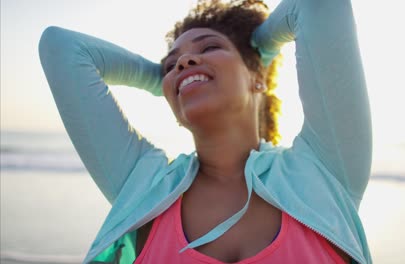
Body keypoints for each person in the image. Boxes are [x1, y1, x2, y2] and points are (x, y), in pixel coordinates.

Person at [39, 0, 373, 263]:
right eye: (172, 64)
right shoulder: (145, 188)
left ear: (258, 78)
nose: (184, 62)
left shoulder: (321, 173)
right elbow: (61, 46)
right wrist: (171, 81)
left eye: (209, 47)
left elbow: (319, 4)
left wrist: (260, 49)